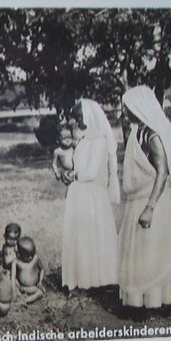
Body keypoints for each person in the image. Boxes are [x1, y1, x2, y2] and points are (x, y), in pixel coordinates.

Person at [118, 85, 171, 309]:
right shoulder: (136, 133)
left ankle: (156, 301)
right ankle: (138, 300)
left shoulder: (153, 136)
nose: (124, 112)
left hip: (152, 201)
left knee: (152, 253)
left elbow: (163, 172)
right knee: (139, 254)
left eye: (127, 107)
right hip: (136, 199)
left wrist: (150, 207)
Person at [61, 98, 120, 291]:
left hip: (92, 194)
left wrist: (75, 175)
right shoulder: (83, 139)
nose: (76, 122)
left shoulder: (100, 139)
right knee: (81, 237)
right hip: (79, 192)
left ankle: (100, 279)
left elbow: (91, 172)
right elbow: (77, 165)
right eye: (75, 118)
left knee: (95, 236)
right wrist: (67, 173)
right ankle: (83, 277)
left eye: (79, 117)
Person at [12, 236, 45, 304]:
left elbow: (42, 270)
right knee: (11, 280)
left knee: (41, 292)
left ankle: (25, 301)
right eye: (27, 256)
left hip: (32, 287)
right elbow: (13, 276)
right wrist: (14, 288)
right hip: (20, 287)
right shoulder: (16, 262)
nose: (30, 258)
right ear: (19, 254)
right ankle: (19, 296)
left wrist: (40, 281)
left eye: (31, 255)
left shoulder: (35, 259)